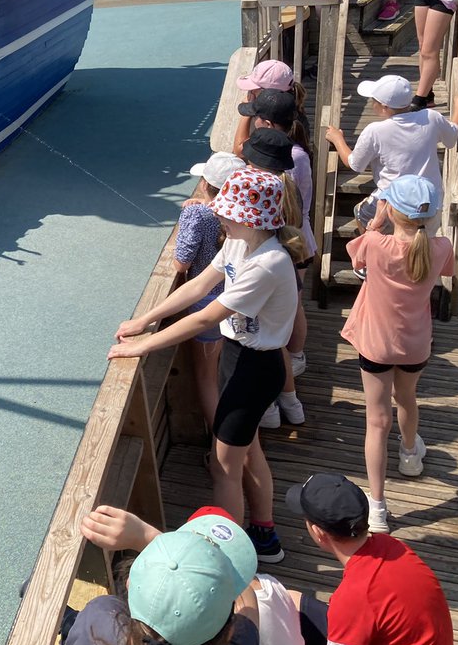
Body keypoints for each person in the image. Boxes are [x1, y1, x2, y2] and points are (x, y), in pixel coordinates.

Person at [111, 169, 306, 560]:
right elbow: (197, 287)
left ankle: (225, 555)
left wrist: (144, 346)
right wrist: (145, 319)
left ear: (250, 218)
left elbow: (205, 316)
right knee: (249, 453)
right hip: (238, 359)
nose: (220, 217)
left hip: (256, 368)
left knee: (223, 469)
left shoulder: (267, 262)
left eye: (226, 212)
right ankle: (263, 534)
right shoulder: (239, 242)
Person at [342, 176, 454, 534]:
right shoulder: (440, 246)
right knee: (407, 398)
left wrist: (375, 223)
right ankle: (409, 455)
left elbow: (355, 256)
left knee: (376, 421)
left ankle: (377, 508)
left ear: (391, 209)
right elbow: (446, 270)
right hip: (415, 342)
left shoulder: (375, 243)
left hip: (376, 342)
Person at [73, 504, 305, 645]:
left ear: (129, 582)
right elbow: (249, 599)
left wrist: (150, 538)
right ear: (227, 628)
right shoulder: (240, 644)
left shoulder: (99, 619)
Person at [286, 473, 454, 645]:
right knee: (288, 599)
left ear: (318, 532)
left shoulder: (353, 596)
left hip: (355, 613)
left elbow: (360, 602)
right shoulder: (392, 546)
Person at [238, 101, 314, 430]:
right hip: (290, 261)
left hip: (265, 268)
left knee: (261, 343)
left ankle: (267, 408)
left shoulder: (262, 193)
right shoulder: (288, 183)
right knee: (278, 338)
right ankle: (291, 403)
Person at [325, 75, 458, 231]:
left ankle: (372, 250)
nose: (372, 103)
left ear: (384, 107)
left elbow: (354, 163)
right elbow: (455, 133)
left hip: (393, 204)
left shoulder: (375, 131)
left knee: (361, 212)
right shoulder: (431, 117)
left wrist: (338, 139)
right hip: (429, 203)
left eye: (373, 100)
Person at [177, 152, 244, 429]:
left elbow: (181, 263)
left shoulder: (198, 214)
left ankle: (219, 442)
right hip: (235, 300)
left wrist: (188, 216)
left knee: (206, 378)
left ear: (205, 184)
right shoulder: (243, 215)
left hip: (205, 303)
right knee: (227, 371)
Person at [232, 59, 309, 157]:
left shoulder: (274, 118)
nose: (250, 93)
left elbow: (240, 151)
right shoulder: (292, 108)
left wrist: (248, 110)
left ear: (267, 94)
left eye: (253, 90)